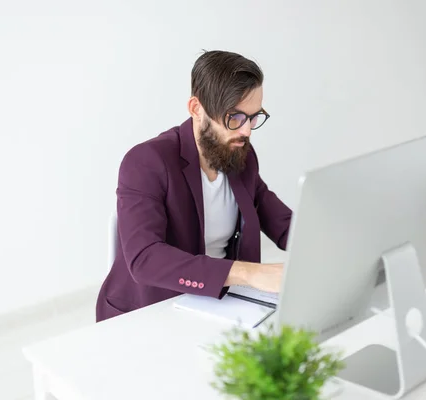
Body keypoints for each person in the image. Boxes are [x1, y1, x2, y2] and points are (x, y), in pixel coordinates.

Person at [96, 50, 292, 322]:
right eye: (234, 117)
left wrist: (329, 244)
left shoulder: (239, 153)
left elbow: (280, 220)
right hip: (151, 311)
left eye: (253, 116)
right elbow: (145, 258)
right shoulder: (146, 161)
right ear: (196, 109)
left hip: (219, 304)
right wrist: (250, 273)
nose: (246, 130)